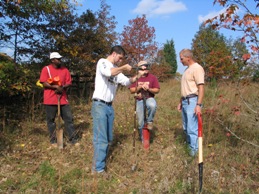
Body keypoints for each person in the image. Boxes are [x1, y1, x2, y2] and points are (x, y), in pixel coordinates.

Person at [91, 45, 144, 174]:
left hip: (109, 106)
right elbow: (109, 73)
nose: (120, 61)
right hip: (99, 105)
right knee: (101, 138)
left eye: (122, 60)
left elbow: (127, 82)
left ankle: (101, 162)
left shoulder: (116, 69)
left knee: (109, 138)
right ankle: (98, 169)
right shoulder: (102, 62)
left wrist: (138, 76)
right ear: (114, 54)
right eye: (120, 58)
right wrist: (123, 68)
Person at [39, 52, 79, 147]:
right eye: (58, 59)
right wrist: (55, 87)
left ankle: (73, 139)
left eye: (60, 58)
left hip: (63, 98)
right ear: (52, 60)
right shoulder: (46, 69)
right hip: (50, 98)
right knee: (51, 120)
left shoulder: (65, 70)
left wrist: (62, 87)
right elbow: (44, 82)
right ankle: (53, 140)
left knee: (68, 119)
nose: (60, 60)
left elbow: (69, 82)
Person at [177, 49, 205, 157]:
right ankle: (189, 148)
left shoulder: (197, 69)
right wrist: (181, 101)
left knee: (192, 128)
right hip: (185, 101)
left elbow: (201, 88)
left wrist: (198, 105)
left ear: (188, 57)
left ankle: (194, 153)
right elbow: (186, 88)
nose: (181, 61)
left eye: (182, 58)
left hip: (192, 101)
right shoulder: (186, 70)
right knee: (186, 127)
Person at [129, 61, 160, 141]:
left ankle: (150, 121)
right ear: (139, 69)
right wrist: (139, 87)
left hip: (149, 97)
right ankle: (143, 139)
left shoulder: (152, 77)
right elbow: (132, 90)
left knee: (152, 105)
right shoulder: (136, 78)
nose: (145, 68)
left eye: (146, 66)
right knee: (140, 122)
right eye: (143, 67)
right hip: (139, 100)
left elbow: (157, 90)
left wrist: (149, 89)